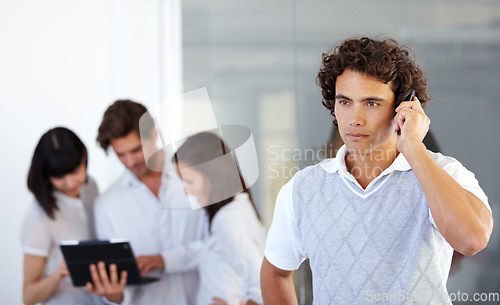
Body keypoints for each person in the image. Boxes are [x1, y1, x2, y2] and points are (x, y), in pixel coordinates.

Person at [261, 37, 493, 304]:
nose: (354, 118)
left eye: (371, 103)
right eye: (345, 102)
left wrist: (414, 147)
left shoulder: (444, 172)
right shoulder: (303, 188)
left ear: (402, 108)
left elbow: (472, 240)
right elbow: (275, 273)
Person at [94, 100, 207, 305]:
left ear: (154, 134)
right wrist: (114, 296)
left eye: (136, 150)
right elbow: (118, 282)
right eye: (120, 154)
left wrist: (165, 260)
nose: (130, 162)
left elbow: (219, 245)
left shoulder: (197, 180)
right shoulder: (107, 205)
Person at [21, 127, 125, 305]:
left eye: (75, 172)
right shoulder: (38, 215)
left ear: (84, 157)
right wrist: (58, 274)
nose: (69, 183)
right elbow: (28, 296)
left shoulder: (89, 186)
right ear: (46, 175)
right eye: (59, 177)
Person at [173, 132, 265, 305]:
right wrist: (161, 261)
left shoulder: (227, 220)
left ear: (213, 175)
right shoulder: (236, 206)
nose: (186, 191)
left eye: (190, 181)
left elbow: (264, 280)